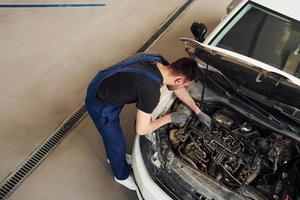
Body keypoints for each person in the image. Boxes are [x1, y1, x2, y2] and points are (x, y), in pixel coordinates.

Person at [85, 53, 211, 190]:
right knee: (116, 143)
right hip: (100, 102)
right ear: (179, 80)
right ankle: (121, 175)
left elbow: (178, 87)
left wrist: (197, 111)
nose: (182, 87)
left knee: (115, 145)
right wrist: (170, 118)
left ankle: (115, 157)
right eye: (185, 84)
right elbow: (141, 129)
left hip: (107, 80)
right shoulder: (150, 91)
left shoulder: (158, 60)